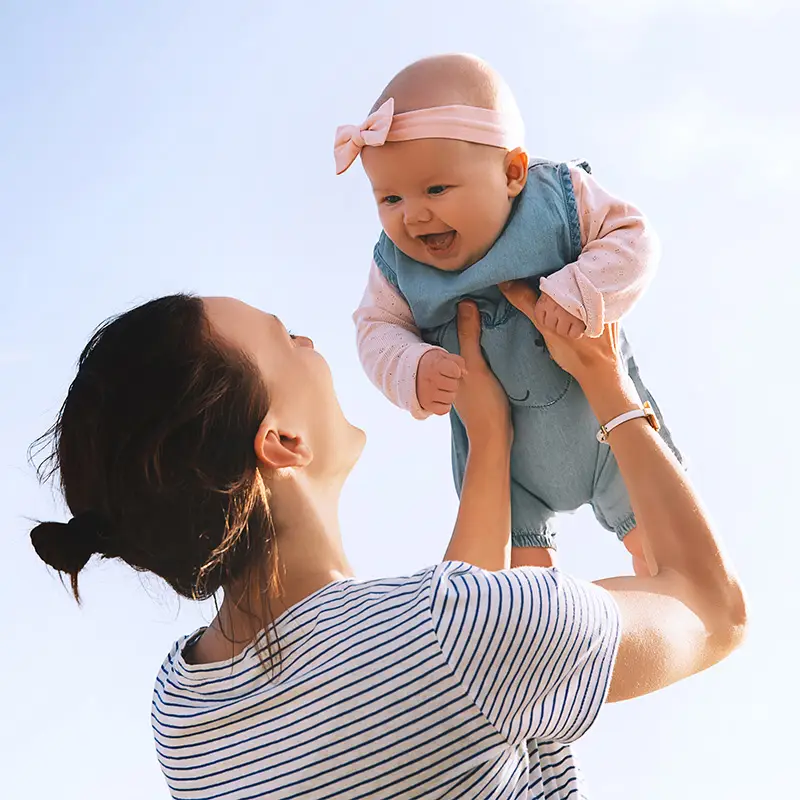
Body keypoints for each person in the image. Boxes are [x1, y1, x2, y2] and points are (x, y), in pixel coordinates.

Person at [29, 287, 746, 799]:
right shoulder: (462, 637)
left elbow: (430, 681)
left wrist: (489, 440)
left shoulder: (186, 712)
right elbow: (715, 611)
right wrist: (605, 381)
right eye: (286, 340)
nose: (310, 343)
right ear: (282, 442)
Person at [340, 53, 681, 575]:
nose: (413, 214)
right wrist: (411, 367)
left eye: (436, 189)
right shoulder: (395, 268)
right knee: (518, 591)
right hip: (509, 468)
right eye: (389, 198)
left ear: (512, 173)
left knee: (664, 552)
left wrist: (582, 289)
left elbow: (634, 239)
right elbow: (375, 328)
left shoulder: (558, 199)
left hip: (606, 426)